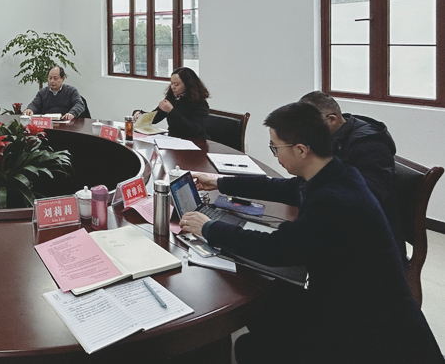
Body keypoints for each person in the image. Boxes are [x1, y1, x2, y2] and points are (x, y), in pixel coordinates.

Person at [180, 102, 442, 364]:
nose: (275, 155)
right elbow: (283, 188)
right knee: (267, 306)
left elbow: (276, 249)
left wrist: (209, 227)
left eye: (275, 147)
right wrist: (219, 182)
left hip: (367, 331)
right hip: (351, 302)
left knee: (253, 345)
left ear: (301, 150)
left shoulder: (333, 200)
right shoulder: (336, 173)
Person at [299, 90, 404, 254]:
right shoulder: (333, 137)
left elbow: (363, 201)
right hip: (340, 226)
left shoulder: (370, 145)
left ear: (332, 120)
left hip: (371, 246)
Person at [133, 67, 209, 138]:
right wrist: (139, 114)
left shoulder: (200, 103)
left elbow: (192, 129)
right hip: (173, 138)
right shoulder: (172, 98)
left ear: (188, 85)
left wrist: (171, 111)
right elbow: (155, 118)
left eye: (176, 84)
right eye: (171, 83)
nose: (173, 87)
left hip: (195, 140)